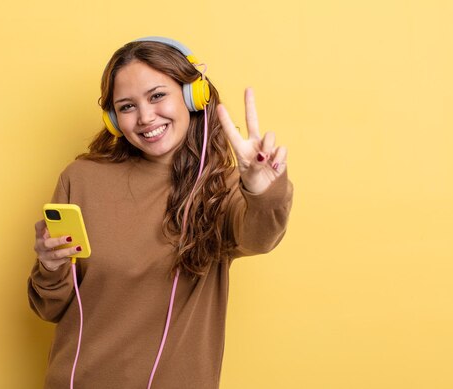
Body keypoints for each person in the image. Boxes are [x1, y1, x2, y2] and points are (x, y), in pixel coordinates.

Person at [28, 37, 293, 389]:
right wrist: (50, 267)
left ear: (192, 96)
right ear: (112, 120)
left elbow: (260, 237)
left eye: (157, 96)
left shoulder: (222, 188)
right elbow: (50, 308)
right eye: (127, 106)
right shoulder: (82, 179)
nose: (145, 117)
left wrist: (261, 190)